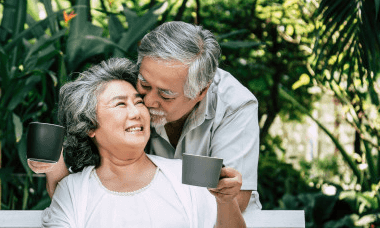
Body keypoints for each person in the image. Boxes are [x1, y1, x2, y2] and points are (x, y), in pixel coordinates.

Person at [30, 21, 261, 213]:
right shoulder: (129, 89)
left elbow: (233, 199)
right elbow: (87, 186)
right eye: (145, 84)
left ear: (202, 91)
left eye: (166, 95)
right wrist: (56, 164)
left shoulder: (235, 104)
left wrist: (147, 178)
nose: (148, 102)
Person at [41, 58, 247, 228]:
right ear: (89, 125)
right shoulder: (73, 189)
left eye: (139, 102)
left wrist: (226, 201)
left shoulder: (187, 173)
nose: (137, 113)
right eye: (120, 104)